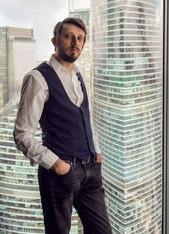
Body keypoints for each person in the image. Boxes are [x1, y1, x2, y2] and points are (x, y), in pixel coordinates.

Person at [13, 17, 112, 234]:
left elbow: (85, 117)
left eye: (80, 38)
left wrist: (97, 152)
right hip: (60, 174)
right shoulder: (38, 78)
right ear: (54, 40)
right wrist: (56, 164)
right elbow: (22, 134)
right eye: (68, 37)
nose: (75, 42)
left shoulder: (78, 75)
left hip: (91, 170)